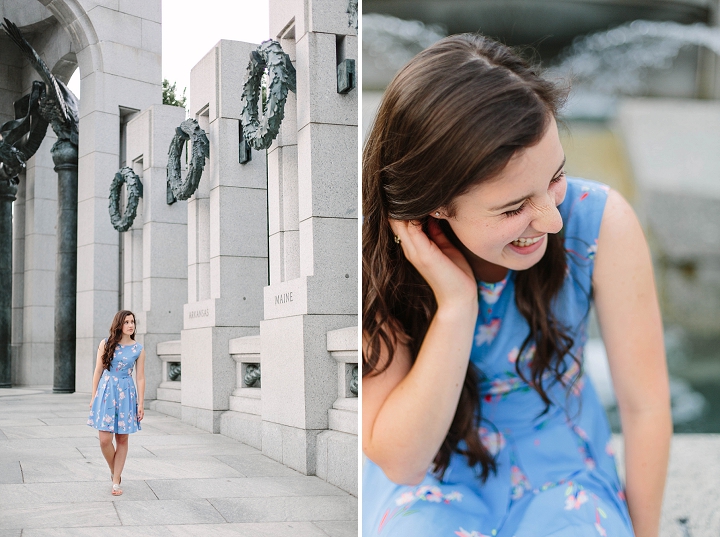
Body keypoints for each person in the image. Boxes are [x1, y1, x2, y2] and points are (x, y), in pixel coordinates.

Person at [362, 34, 672, 537]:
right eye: (513, 208)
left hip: (564, 472)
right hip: (436, 477)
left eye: (556, 176)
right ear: (437, 205)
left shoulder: (599, 222)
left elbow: (645, 406)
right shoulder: (383, 260)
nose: (551, 221)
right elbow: (402, 462)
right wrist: (456, 308)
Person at [87, 310, 145, 496]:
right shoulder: (106, 343)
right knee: (104, 439)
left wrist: (141, 403)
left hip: (127, 393)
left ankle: (115, 480)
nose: (131, 325)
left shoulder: (138, 349)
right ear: (119, 324)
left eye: (133, 322)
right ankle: (115, 472)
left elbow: (141, 378)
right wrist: (93, 395)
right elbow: (98, 371)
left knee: (122, 438)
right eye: (127, 322)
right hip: (106, 391)